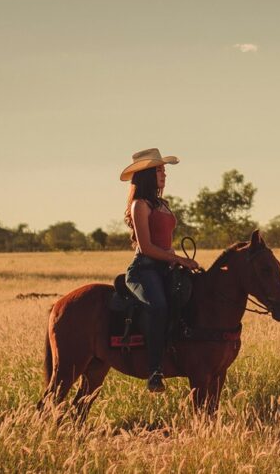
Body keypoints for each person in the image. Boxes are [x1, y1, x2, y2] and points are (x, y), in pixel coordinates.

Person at [120, 147, 200, 393]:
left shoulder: (162, 204)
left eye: (164, 170)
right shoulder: (140, 205)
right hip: (144, 269)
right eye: (159, 170)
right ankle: (154, 370)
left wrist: (174, 257)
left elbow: (163, 240)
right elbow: (145, 247)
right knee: (159, 307)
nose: (164, 174)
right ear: (146, 175)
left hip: (165, 266)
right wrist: (178, 260)